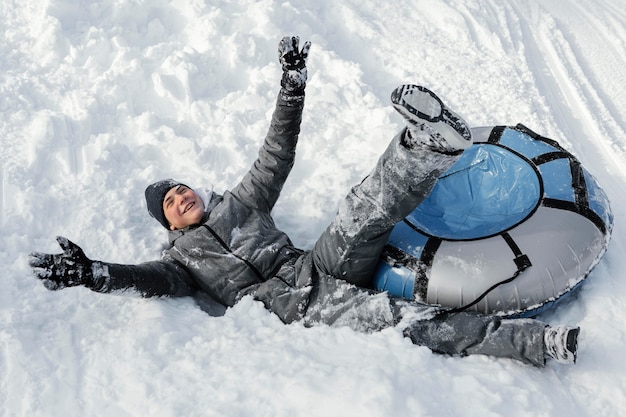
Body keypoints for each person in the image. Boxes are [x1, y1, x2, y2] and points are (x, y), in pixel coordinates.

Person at [28, 36, 579, 366]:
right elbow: (145, 280)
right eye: (170, 202)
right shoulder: (179, 263)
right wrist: (95, 273)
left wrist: (292, 86)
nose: (180, 197)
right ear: (168, 224)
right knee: (411, 324)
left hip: (314, 265)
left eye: (181, 188)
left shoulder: (239, 204)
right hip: (292, 308)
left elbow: (276, 155)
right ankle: (540, 344)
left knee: (360, 210)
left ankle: (424, 146)